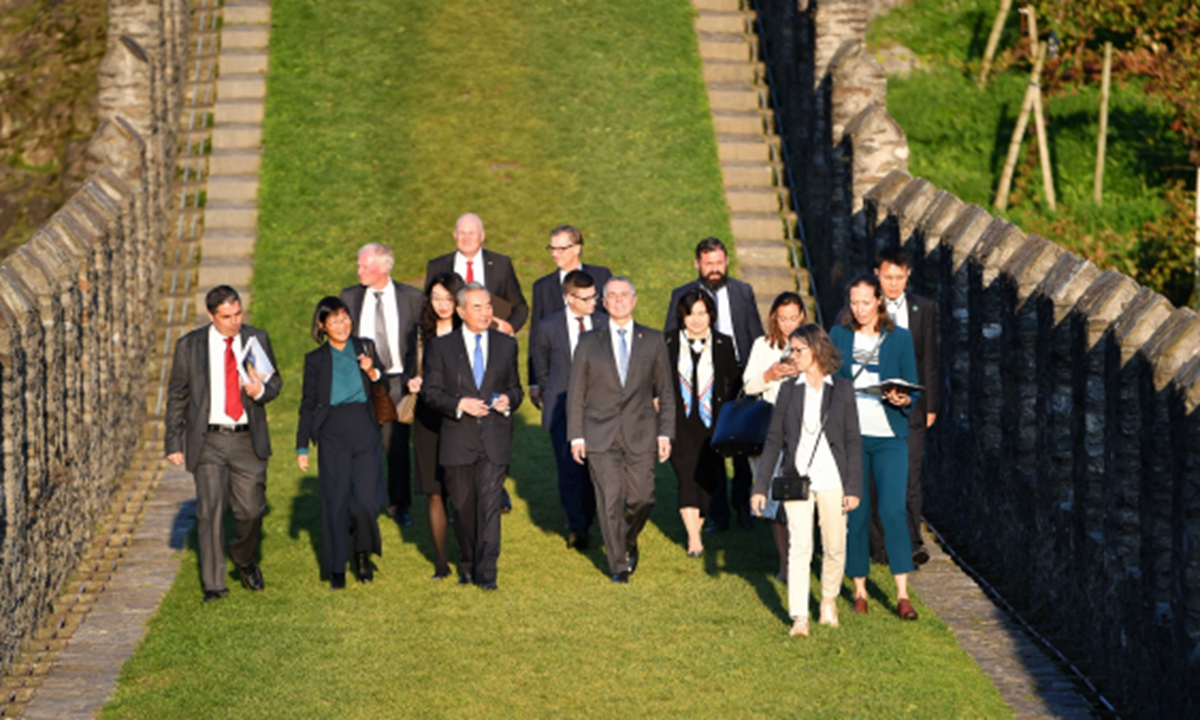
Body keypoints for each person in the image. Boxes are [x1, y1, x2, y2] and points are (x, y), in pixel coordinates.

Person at [165, 285, 282, 603]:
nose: (234, 322)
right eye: (226, 317)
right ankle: (214, 585)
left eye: (238, 313)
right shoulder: (190, 346)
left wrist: (260, 391)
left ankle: (244, 559)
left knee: (251, 510)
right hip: (209, 441)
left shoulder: (255, 339)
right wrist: (173, 440)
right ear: (211, 316)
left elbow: (275, 383)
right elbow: (178, 394)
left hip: (247, 438)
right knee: (209, 511)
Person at [752, 324, 861, 637]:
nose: (793, 356)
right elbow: (774, 440)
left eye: (799, 350)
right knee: (800, 545)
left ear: (816, 349)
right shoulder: (789, 389)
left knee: (835, 546)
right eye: (791, 350)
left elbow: (853, 440)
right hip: (796, 479)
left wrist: (853, 487)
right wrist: (760, 487)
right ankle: (799, 615)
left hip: (833, 479)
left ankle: (828, 599)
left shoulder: (841, 389)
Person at [568, 277, 675, 583]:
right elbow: (576, 393)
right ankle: (618, 565)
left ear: (634, 300)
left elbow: (665, 392)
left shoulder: (653, 341)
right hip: (599, 435)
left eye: (623, 295)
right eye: (611, 296)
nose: (617, 300)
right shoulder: (588, 343)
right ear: (603, 303)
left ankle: (628, 540)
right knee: (610, 499)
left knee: (644, 498)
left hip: (641, 433)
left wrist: (665, 432)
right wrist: (577, 435)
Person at [830, 273, 921, 620]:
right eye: (854, 302)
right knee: (856, 512)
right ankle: (860, 589)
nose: (859, 309)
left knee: (894, 511)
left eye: (865, 302)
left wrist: (901, 397)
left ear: (879, 301)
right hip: (852, 439)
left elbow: (911, 386)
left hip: (889, 437)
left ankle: (902, 593)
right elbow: (829, 382)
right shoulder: (839, 334)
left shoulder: (899, 338)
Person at [421, 282, 523, 590]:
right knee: (464, 508)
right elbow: (430, 392)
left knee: (490, 508)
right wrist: (459, 404)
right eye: (477, 307)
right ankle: (467, 561)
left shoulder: (506, 344)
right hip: (457, 441)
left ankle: (487, 572)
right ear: (461, 311)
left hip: (494, 440)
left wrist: (508, 402)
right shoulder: (441, 348)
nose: (485, 312)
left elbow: (516, 389)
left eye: (488, 306)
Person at [664, 237, 763, 531]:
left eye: (720, 263)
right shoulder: (681, 295)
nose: (715, 269)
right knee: (710, 449)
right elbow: (670, 337)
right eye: (709, 264)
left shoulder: (743, 292)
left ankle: (743, 506)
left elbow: (755, 334)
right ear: (697, 264)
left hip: (740, 379)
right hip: (701, 382)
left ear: (727, 261)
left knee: (743, 448)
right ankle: (718, 513)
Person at [295, 297, 387, 589]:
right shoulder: (315, 360)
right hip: (332, 433)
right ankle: (336, 567)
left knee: (367, 503)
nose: (342, 325)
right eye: (334, 321)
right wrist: (301, 446)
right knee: (335, 502)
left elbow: (381, 383)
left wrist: (372, 370)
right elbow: (307, 403)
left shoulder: (365, 347)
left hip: (365, 429)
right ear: (322, 326)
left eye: (345, 317)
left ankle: (361, 552)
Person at [341, 243, 424, 527]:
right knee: (360, 446)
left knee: (397, 447)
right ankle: (360, 507)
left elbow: (422, 340)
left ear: (383, 267)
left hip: (398, 382)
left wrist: (418, 375)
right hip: (361, 382)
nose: (359, 270)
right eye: (359, 265)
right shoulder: (349, 297)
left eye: (365, 265)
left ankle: (399, 504)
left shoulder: (411, 298)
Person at [530, 270, 608, 551]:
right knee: (569, 469)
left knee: (593, 468)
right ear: (569, 297)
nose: (592, 303)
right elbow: (542, 367)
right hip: (562, 408)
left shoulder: (603, 322)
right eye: (585, 298)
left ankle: (588, 517)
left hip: (599, 410)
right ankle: (577, 527)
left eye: (593, 296)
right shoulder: (548, 326)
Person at [873, 246, 939, 567]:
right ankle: (881, 543)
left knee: (910, 476)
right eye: (888, 277)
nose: (894, 284)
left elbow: (928, 358)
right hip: (873, 406)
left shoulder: (922, 308)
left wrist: (930, 404)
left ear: (908, 275)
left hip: (912, 407)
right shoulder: (863, 307)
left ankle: (913, 542)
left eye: (899, 277)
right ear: (877, 275)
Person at [665, 289, 740, 557]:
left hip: (713, 425)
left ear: (710, 315)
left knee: (707, 481)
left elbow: (735, 380)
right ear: (682, 316)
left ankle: (697, 527)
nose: (696, 320)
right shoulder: (669, 342)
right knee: (687, 477)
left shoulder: (724, 343)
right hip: (679, 422)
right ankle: (694, 539)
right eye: (690, 314)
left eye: (701, 313)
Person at [741, 291, 808, 581]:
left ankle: (801, 559)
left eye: (794, 318)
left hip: (804, 430)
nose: (789, 324)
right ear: (774, 318)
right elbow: (748, 387)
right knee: (775, 503)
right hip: (771, 429)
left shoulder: (813, 344)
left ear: (803, 317)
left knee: (799, 501)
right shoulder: (763, 345)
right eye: (783, 319)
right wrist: (770, 374)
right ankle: (785, 565)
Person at [404, 272, 464, 580]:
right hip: (428, 418)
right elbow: (406, 369)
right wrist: (411, 381)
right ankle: (441, 562)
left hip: (460, 417)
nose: (442, 305)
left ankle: (468, 557)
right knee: (434, 490)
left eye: (449, 299)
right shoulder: (418, 332)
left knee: (462, 489)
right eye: (436, 298)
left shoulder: (467, 330)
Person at [528, 225, 612, 409]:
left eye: (561, 249)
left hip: (599, 382)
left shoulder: (601, 276)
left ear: (577, 248)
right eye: (552, 248)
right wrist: (534, 382)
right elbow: (536, 336)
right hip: (559, 384)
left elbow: (611, 321)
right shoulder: (542, 287)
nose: (554, 254)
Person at [425, 213, 529, 334]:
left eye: (471, 233)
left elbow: (519, 307)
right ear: (455, 235)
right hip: (450, 342)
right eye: (462, 233)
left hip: (490, 341)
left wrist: (509, 327)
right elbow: (427, 306)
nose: (466, 238)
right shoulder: (437, 266)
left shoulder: (501, 265)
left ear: (482, 236)